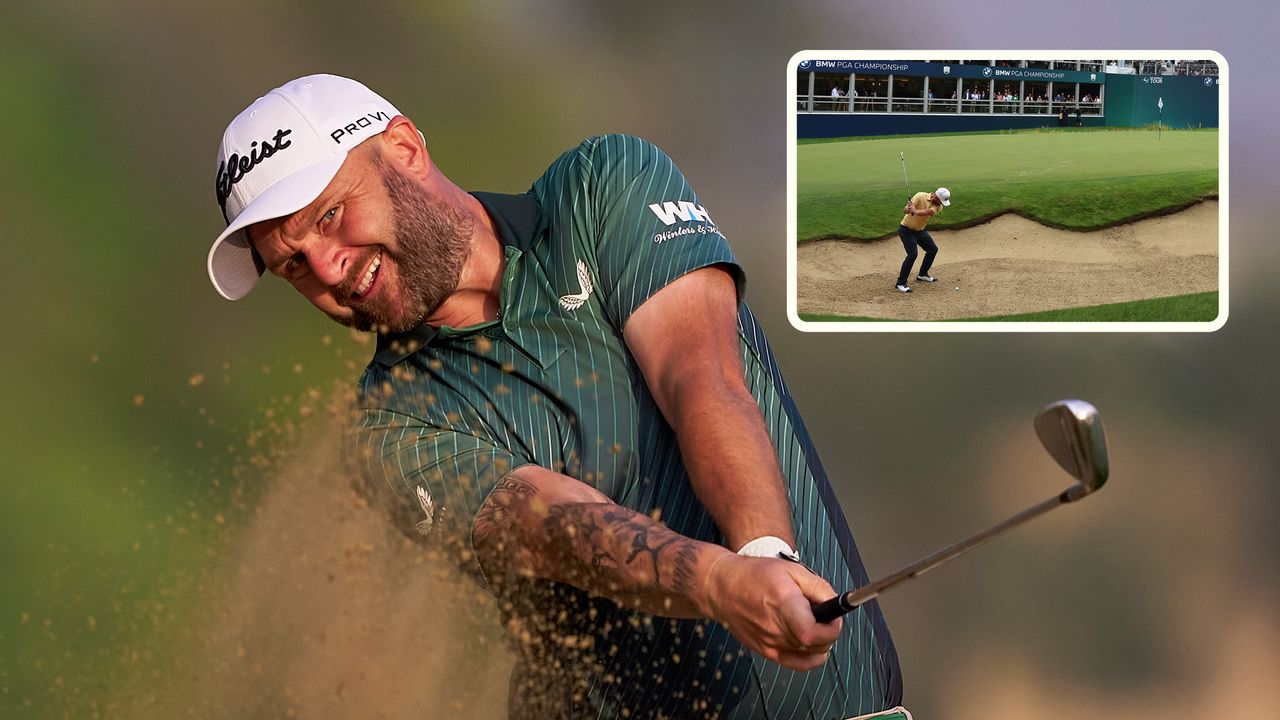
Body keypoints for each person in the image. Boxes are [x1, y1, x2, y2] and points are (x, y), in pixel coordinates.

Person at [206, 74, 903, 719]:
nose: (327, 267)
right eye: (292, 263)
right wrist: (721, 582)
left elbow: (701, 375)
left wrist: (763, 554)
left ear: (405, 148)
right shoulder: (390, 424)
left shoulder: (602, 188)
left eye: (330, 215)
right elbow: (551, 529)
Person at [894, 188, 950, 293]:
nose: (940, 204)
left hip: (920, 231)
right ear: (935, 196)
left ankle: (922, 274)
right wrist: (909, 208)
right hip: (907, 230)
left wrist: (915, 211)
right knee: (912, 255)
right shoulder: (920, 196)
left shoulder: (938, 206)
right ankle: (900, 283)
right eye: (940, 201)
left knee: (933, 249)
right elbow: (905, 210)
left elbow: (927, 211)